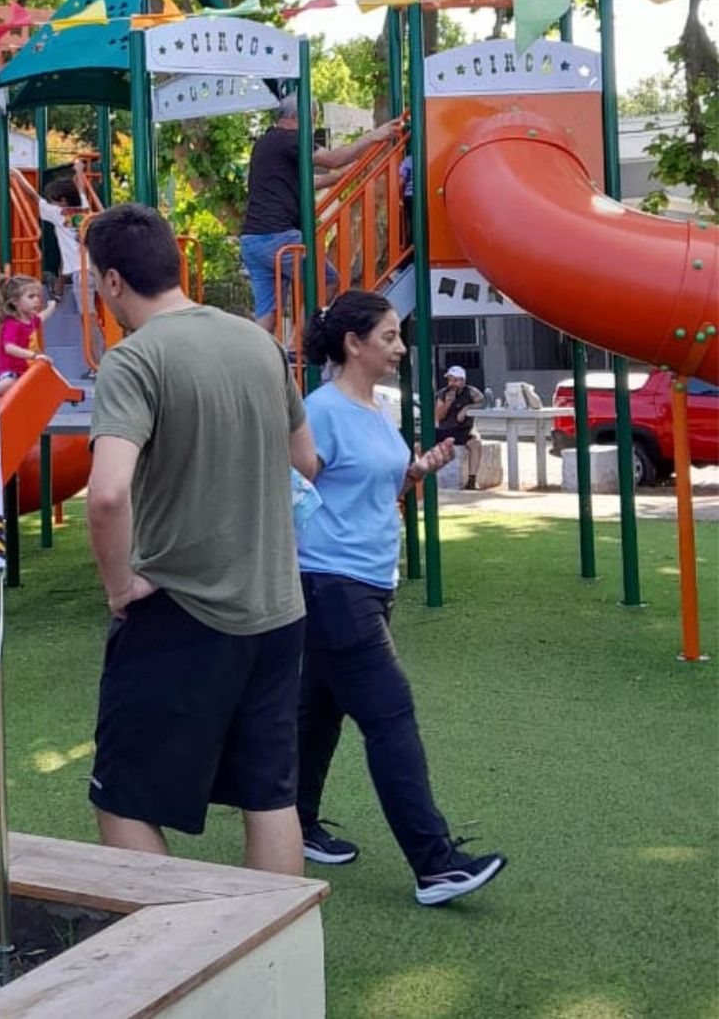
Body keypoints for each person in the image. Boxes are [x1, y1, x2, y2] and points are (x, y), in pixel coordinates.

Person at [84, 203, 318, 875]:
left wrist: (120, 586)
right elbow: (306, 459)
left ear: (113, 283)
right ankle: (273, 964)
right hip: (278, 609)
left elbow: (106, 493)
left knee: (123, 799)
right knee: (270, 796)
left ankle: (180, 955)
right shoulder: (258, 343)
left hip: (183, 609)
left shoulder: (134, 361)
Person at [292, 292, 507, 906]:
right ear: (353, 343)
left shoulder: (376, 409)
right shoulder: (321, 411)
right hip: (333, 584)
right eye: (387, 336)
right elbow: (294, 489)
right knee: (391, 715)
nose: (400, 346)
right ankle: (435, 864)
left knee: (318, 714)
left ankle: (296, 822)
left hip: (368, 581)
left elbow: (372, 486)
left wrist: (417, 470)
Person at [240, 97, 401, 331]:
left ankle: (256, 362)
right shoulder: (291, 140)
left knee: (268, 313)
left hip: (253, 241)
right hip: (279, 237)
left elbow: (308, 181)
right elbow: (335, 159)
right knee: (327, 280)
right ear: (303, 117)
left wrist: (345, 175)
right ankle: (301, 344)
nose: (313, 126)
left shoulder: (266, 143)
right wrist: (374, 136)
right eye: (314, 119)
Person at [12, 158, 103, 363]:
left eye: (53, 199)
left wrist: (17, 176)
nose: (51, 202)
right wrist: (79, 170)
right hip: (94, 268)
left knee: (88, 318)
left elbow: (33, 197)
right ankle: (98, 358)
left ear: (62, 201)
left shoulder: (58, 213)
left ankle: (98, 361)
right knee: (92, 316)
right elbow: (81, 188)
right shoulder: (84, 208)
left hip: (81, 271)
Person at [0, 273, 57, 381]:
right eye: (31, 296)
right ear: (15, 301)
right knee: (10, 383)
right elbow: (9, 348)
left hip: (25, 369)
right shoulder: (13, 324)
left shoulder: (31, 320)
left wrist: (52, 306)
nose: (36, 300)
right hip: (10, 371)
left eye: (38, 296)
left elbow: (42, 316)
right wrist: (34, 356)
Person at [435, 364, 485, 490]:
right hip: (445, 430)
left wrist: (467, 408)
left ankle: (472, 481)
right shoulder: (443, 394)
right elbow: (438, 417)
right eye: (450, 380)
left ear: (463, 381)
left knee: (476, 444)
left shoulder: (471, 392)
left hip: (463, 430)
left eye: (455, 380)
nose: (452, 383)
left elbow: (483, 403)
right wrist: (447, 404)